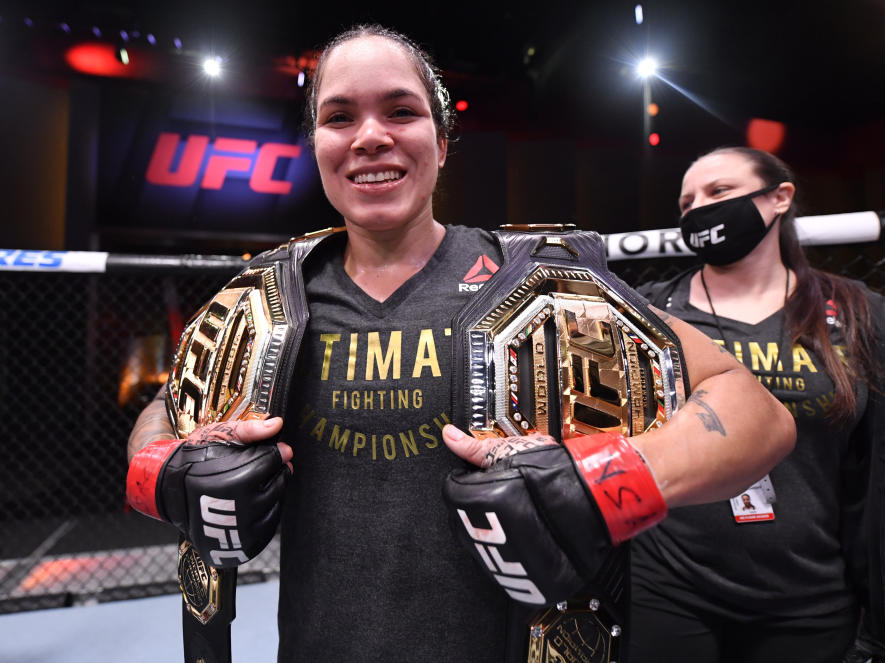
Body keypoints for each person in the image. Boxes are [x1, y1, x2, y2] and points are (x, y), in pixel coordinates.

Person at [125, 28, 795, 662]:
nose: (370, 137)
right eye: (339, 117)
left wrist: (606, 481)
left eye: (400, 111)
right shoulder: (269, 297)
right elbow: (162, 411)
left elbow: (757, 414)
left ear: (442, 141)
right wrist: (165, 469)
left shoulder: (542, 283)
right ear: (316, 145)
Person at [629, 146, 885, 663]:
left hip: (808, 595)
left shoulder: (857, 314)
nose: (698, 208)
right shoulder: (650, 311)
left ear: (779, 198)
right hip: (668, 586)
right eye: (686, 202)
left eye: (718, 192)